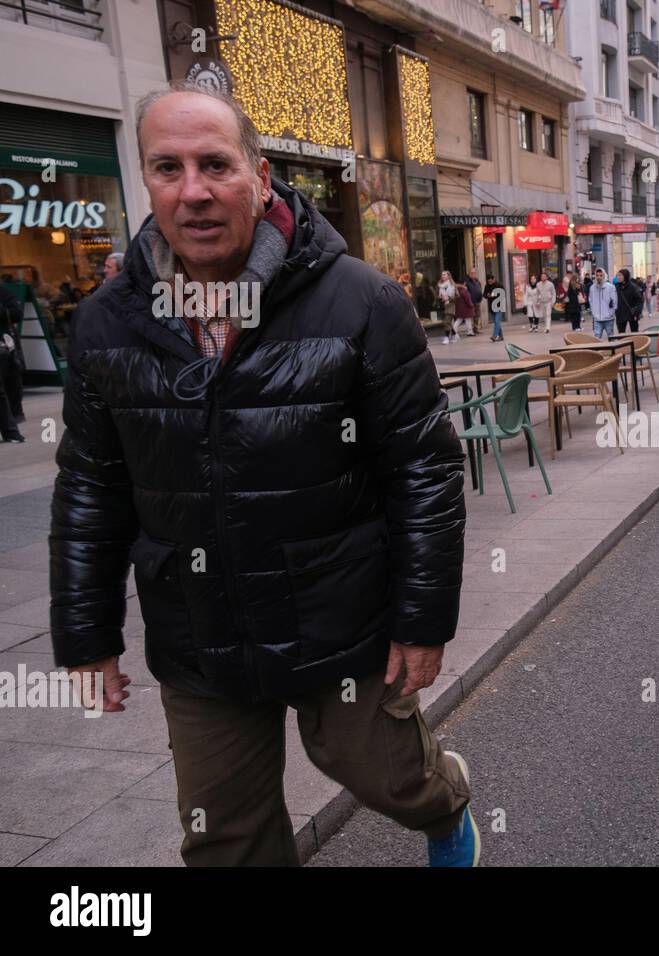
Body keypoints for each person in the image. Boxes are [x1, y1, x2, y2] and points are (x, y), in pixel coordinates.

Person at [48, 82, 476, 867]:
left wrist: (422, 618)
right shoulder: (107, 322)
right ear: (147, 180)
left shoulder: (361, 300)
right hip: (198, 632)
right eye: (167, 168)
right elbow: (89, 485)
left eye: (215, 164)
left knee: (387, 779)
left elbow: (424, 469)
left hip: (340, 619)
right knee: (226, 841)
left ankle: (446, 808)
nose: (194, 191)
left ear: (261, 173)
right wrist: (87, 634)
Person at [0, 283, 24, 442]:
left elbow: (16, 314)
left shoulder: (4, 293)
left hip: (2, 346)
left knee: (5, 387)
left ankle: (11, 429)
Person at [588, 267, 617, 339]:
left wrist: (611, 312)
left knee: (611, 337)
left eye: (601, 275)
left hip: (608, 318)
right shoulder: (592, 288)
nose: (599, 277)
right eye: (597, 275)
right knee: (596, 338)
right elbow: (590, 300)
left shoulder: (611, 287)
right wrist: (593, 312)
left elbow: (614, 301)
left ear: (604, 276)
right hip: (597, 318)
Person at [614, 267, 642, 334]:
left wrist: (637, 313)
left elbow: (640, 300)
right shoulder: (616, 287)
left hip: (632, 313)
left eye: (620, 275)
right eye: (617, 275)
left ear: (625, 276)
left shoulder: (633, 287)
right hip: (620, 314)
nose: (618, 277)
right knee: (621, 334)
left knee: (634, 332)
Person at [437, 270, 458, 343]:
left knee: (446, 322)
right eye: (442, 275)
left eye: (445, 275)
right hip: (444, 306)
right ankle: (454, 335)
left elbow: (457, 296)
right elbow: (437, 296)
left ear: (448, 276)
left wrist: (449, 297)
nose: (443, 276)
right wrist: (440, 297)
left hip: (451, 306)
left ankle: (446, 338)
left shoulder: (452, 285)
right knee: (448, 322)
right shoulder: (440, 286)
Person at [484, 273, 505, 342]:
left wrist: (493, 295)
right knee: (496, 322)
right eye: (488, 281)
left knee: (496, 321)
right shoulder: (487, 286)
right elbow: (484, 295)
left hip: (499, 306)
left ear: (494, 279)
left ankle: (494, 335)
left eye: (490, 281)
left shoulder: (499, 285)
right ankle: (501, 336)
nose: (489, 282)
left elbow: (502, 293)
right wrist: (487, 295)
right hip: (491, 307)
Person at [535, 269, 557, 333]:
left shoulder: (550, 284)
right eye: (542, 276)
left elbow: (553, 293)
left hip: (548, 302)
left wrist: (553, 302)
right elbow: (537, 294)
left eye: (544, 276)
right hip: (542, 302)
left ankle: (548, 328)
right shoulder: (538, 284)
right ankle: (546, 326)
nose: (543, 277)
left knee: (548, 315)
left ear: (547, 277)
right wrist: (537, 302)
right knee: (544, 315)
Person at [464, 268, 483, 334]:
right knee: (471, 316)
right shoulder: (467, 282)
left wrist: (480, 297)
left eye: (474, 273)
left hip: (477, 301)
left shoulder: (477, 281)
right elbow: (465, 292)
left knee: (477, 315)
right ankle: (470, 330)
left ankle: (476, 328)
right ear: (469, 274)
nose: (473, 274)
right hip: (471, 301)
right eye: (471, 273)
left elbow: (480, 289)